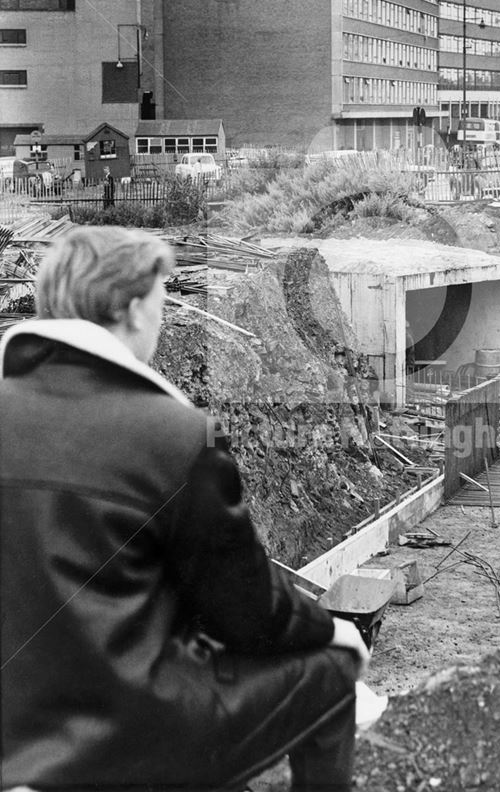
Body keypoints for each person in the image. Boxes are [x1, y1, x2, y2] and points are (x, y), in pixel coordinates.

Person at [0, 227, 369, 791]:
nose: (162, 318)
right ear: (129, 309)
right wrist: (329, 630)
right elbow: (247, 612)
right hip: (130, 739)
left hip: (17, 737)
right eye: (160, 302)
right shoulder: (174, 435)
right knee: (332, 674)